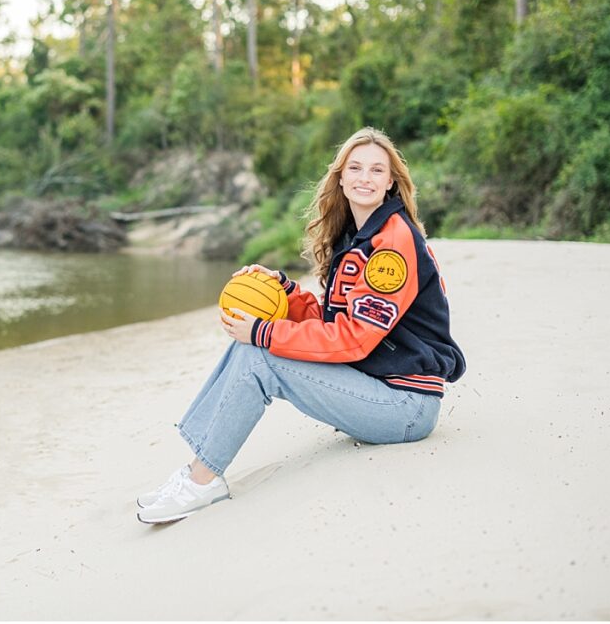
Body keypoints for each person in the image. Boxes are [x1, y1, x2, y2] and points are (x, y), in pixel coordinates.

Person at [136, 126, 466, 524]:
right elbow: (334, 321)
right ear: (340, 177)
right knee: (251, 347)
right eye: (356, 168)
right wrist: (285, 293)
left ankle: (203, 481)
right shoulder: (358, 236)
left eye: (377, 170)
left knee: (260, 357)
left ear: (391, 182)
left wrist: (264, 331)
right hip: (377, 387)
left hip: (405, 407)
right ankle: (195, 473)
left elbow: (354, 340)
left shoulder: (391, 245)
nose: (365, 178)